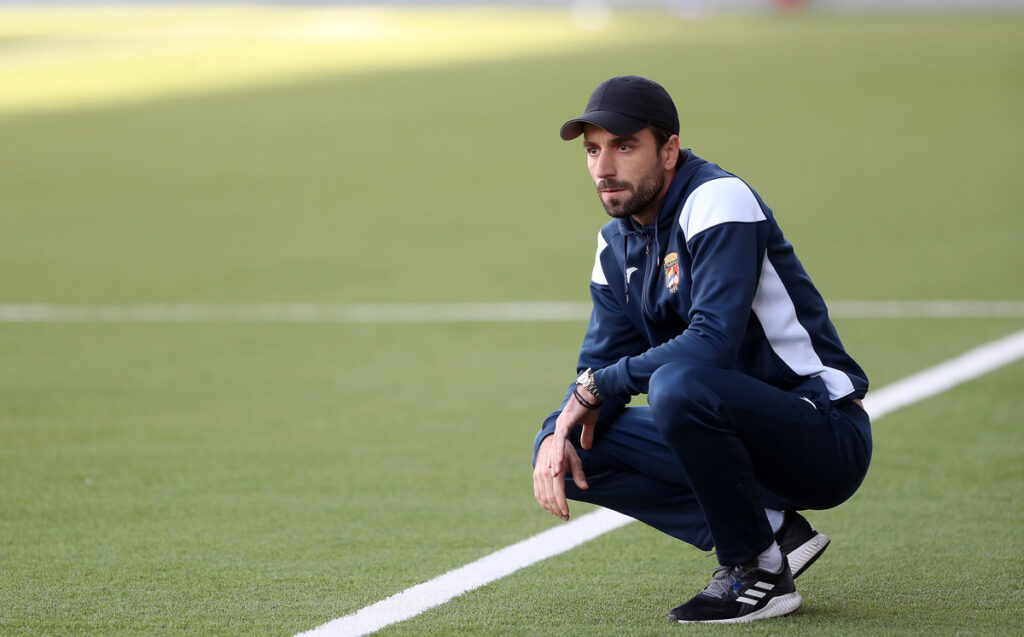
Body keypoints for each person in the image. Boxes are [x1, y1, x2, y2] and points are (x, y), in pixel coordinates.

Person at [532, 75, 872, 624]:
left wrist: (596, 386)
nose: (604, 167)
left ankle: (756, 570)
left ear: (668, 150)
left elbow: (711, 343)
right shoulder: (614, 243)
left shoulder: (717, 198)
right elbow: (597, 370)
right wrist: (559, 428)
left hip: (821, 432)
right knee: (572, 444)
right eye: (594, 150)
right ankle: (773, 533)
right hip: (733, 433)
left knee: (677, 383)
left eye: (624, 146)